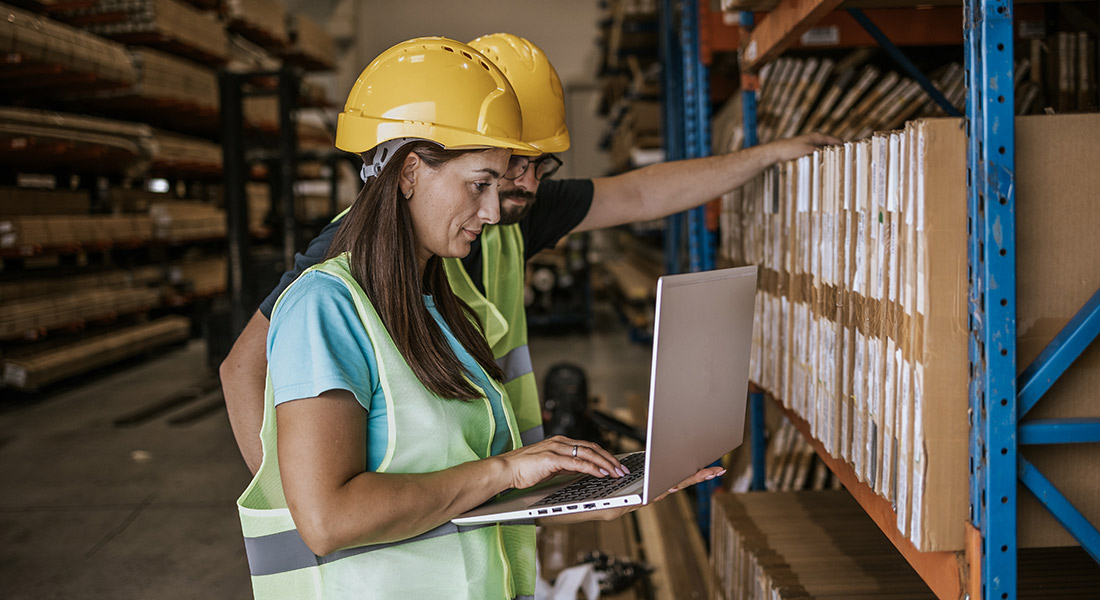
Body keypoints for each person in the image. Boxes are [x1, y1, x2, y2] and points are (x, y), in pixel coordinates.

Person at [221, 33, 838, 476]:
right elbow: (241, 368)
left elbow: (644, 192)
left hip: (486, 494)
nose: (523, 187)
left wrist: (763, 156)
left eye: (535, 166)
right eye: (500, 170)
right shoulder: (347, 261)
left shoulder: (508, 214)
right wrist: (290, 502)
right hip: (432, 510)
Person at [237, 37, 722, 600]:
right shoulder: (326, 307)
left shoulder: (435, 306)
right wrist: (506, 470)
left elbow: (467, 498)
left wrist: (605, 497)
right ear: (410, 171)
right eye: (479, 184)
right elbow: (328, 519)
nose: (493, 212)